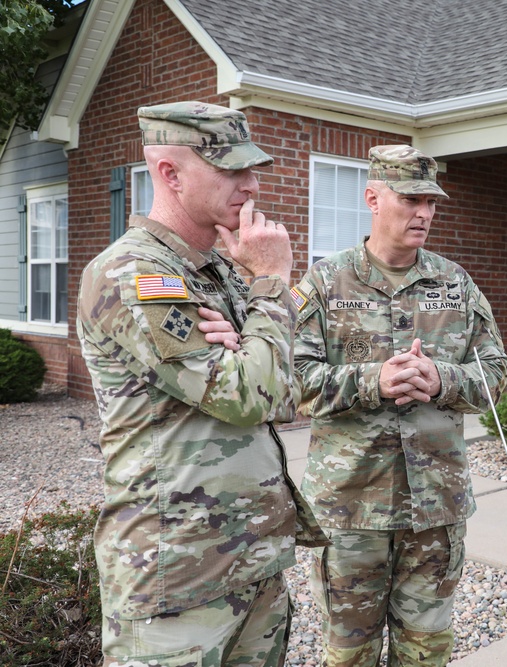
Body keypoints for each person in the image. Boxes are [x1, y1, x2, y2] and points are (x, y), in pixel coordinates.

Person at [77, 101, 325, 666]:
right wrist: (271, 284)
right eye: (231, 170)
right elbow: (249, 396)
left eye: (252, 168)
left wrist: (252, 342)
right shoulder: (136, 274)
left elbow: (286, 394)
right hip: (175, 575)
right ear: (170, 173)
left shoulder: (218, 272)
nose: (251, 184)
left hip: (251, 561)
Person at [292, 145, 507, 667]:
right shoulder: (325, 283)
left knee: (426, 651)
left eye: (432, 202)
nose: (425, 213)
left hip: (434, 508)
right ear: (372, 197)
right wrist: (374, 381)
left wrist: (441, 380)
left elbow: (495, 376)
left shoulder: (455, 284)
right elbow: (291, 382)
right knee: (349, 652)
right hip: (351, 509)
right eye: (411, 199)